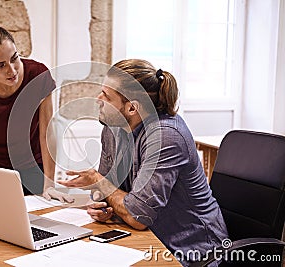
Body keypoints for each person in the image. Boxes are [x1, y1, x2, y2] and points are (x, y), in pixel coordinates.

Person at [58, 59, 228, 266]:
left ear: (132, 108)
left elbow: (137, 216)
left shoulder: (166, 136)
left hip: (192, 250)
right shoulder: (112, 128)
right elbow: (107, 191)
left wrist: (98, 181)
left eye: (107, 95)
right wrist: (102, 207)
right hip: (150, 239)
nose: (98, 99)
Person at [0, 25, 73, 203]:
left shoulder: (38, 75)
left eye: (15, 58)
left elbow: (47, 132)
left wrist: (49, 184)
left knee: (36, 225)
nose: (12, 70)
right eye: (0, 66)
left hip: (32, 166)